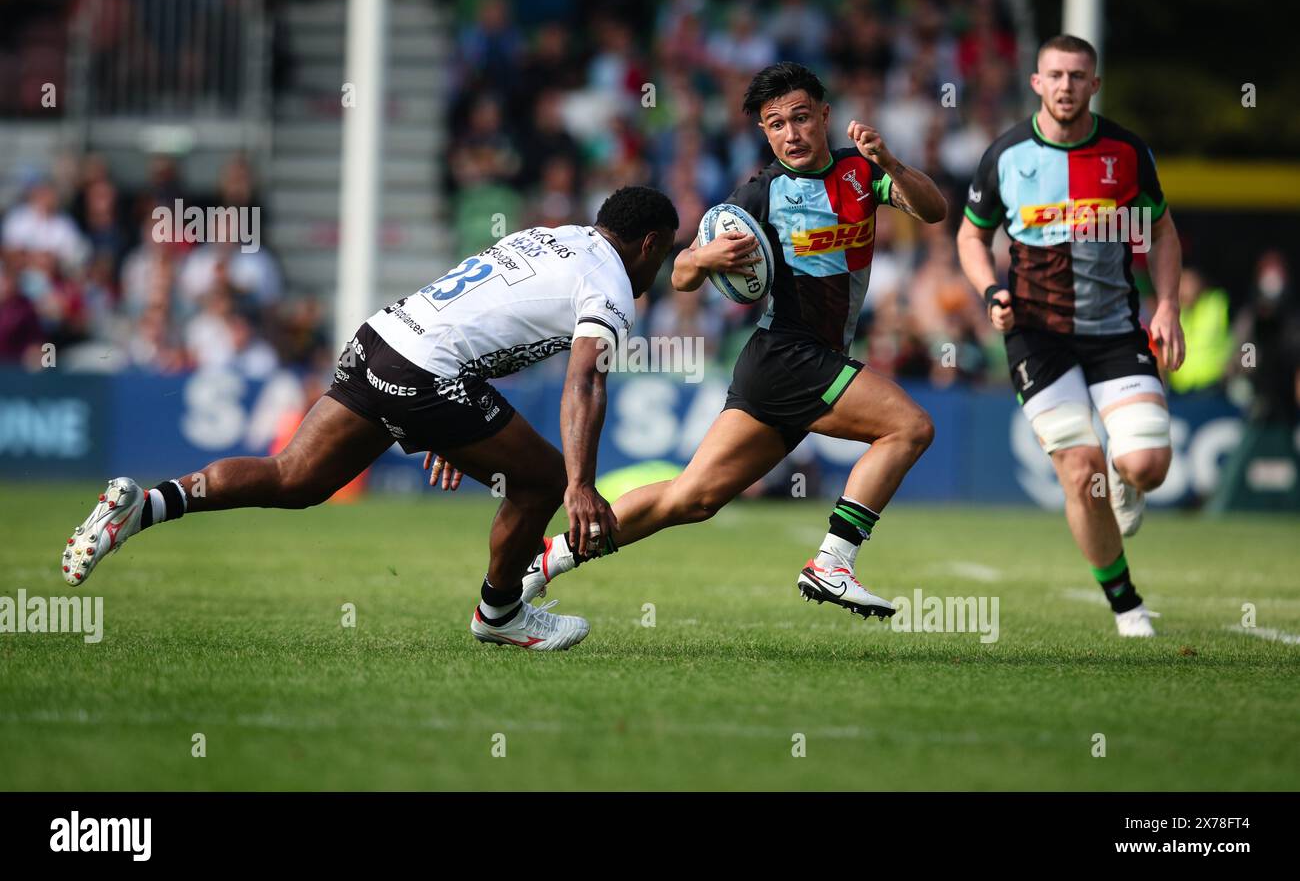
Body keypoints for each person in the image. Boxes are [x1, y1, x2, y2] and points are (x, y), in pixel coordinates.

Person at [59, 187, 679, 652]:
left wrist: (455, 418)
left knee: (294, 478)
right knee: (544, 479)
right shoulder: (611, 283)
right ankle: (500, 614)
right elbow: (586, 379)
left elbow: (486, 311)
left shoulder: (549, 236)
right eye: (663, 255)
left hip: (382, 338)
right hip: (428, 371)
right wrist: (580, 483)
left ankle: (146, 505)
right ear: (648, 244)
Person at [509, 61, 948, 622]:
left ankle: (543, 562)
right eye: (776, 124)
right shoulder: (760, 195)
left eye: (801, 118)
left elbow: (932, 211)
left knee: (689, 498)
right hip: (790, 354)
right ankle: (833, 560)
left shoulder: (864, 172)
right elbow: (680, 275)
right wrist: (701, 257)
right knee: (910, 427)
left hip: (783, 366)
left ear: (824, 116)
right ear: (764, 133)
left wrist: (892, 162)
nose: (791, 134)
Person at [954, 35, 1185, 637]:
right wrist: (990, 294)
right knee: (1081, 471)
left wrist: (1168, 308)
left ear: (1094, 85)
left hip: (1114, 329)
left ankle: (1128, 475)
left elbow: (1162, 233)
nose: (1065, 86)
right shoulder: (1005, 155)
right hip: (1037, 335)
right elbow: (970, 237)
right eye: (1054, 75)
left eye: (1077, 76)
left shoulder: (1127, 152)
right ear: (1036, 82)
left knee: (1148, 466)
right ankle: (1128, 606)